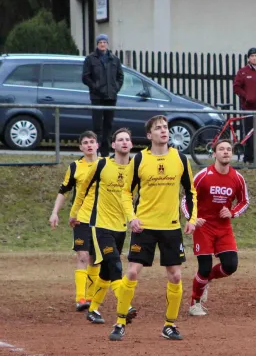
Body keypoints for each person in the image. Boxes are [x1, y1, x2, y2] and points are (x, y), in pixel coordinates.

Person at [109, 115, 197, 341]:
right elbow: (126, 192)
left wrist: (192, 218)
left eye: (165, 127)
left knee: (176, 276)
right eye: (158, 128)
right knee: (131, 272)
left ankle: (169, 325)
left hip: (170, 227)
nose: (163, 131)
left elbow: (190, 191)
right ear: (149, 135)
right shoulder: (139, 159)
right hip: (144, 226)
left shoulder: (180, 158)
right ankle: (120, 322)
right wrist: (132, 217)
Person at [69, 128, 137, 325]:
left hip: (121, 227)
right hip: (100, 225)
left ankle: (93, 309)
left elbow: (139, 196)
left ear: (131, 144)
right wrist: (74, 214)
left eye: (127, 139)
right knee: (115, 264)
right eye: (120, 140)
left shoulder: (135, 168)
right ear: (113, 145)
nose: (124, 142)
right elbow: (82, 190)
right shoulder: (101, 164)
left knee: (106, 272)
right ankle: (125, 305)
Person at [181, 139, 250, 316]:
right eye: (221, 149)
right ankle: (194, 303)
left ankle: (205, 281)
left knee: (230, 266)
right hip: (203, 226)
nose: (225, 152)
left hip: (223, 228)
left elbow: (244, 201)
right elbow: (186, 199)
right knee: (204, 267)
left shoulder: (237, 178)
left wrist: (232, 212)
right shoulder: (203, 175)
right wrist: (192, 219)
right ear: (214, 154)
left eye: (228, 149)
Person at [49, 131, 100, 311]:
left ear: (97, 145)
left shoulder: (105, 165)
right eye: (85, 142)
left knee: (95, 259)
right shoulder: (75, 167)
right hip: (81, 218)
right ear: (81, 147)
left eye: (92, 142)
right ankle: (80, 298)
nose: (89, 145)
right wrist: (55, 212)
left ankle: (92, 298)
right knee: (82, 255)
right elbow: (63, 191)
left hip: (102, 219)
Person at [82, 34, 124, 157]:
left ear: (107, 44)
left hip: (111, 97)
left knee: (108, 124)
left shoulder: (114, 59)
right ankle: (95, 150)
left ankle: (105, 153)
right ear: (97, 44)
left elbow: (120, 76)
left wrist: (115, 88)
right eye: (100, 42)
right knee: (97, 125)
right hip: (97, 97)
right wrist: (95, 87)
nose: (102, 44)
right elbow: (85, 77)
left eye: (104, 42)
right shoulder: (90, 59)